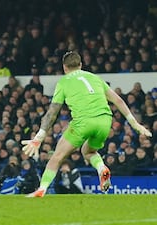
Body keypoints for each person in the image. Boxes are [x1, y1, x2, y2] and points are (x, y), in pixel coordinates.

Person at [21, 51, 152, 197]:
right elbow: (119, 101)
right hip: (104, 121)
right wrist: (135, 124)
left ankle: (42, 189)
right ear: (81, 65)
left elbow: (52, 113)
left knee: (57, 157)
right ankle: (101, 168)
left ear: (64, 67)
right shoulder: (94, 78)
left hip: (83, 122)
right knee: (88, 151)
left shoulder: (63, 82)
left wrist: (39, 137)